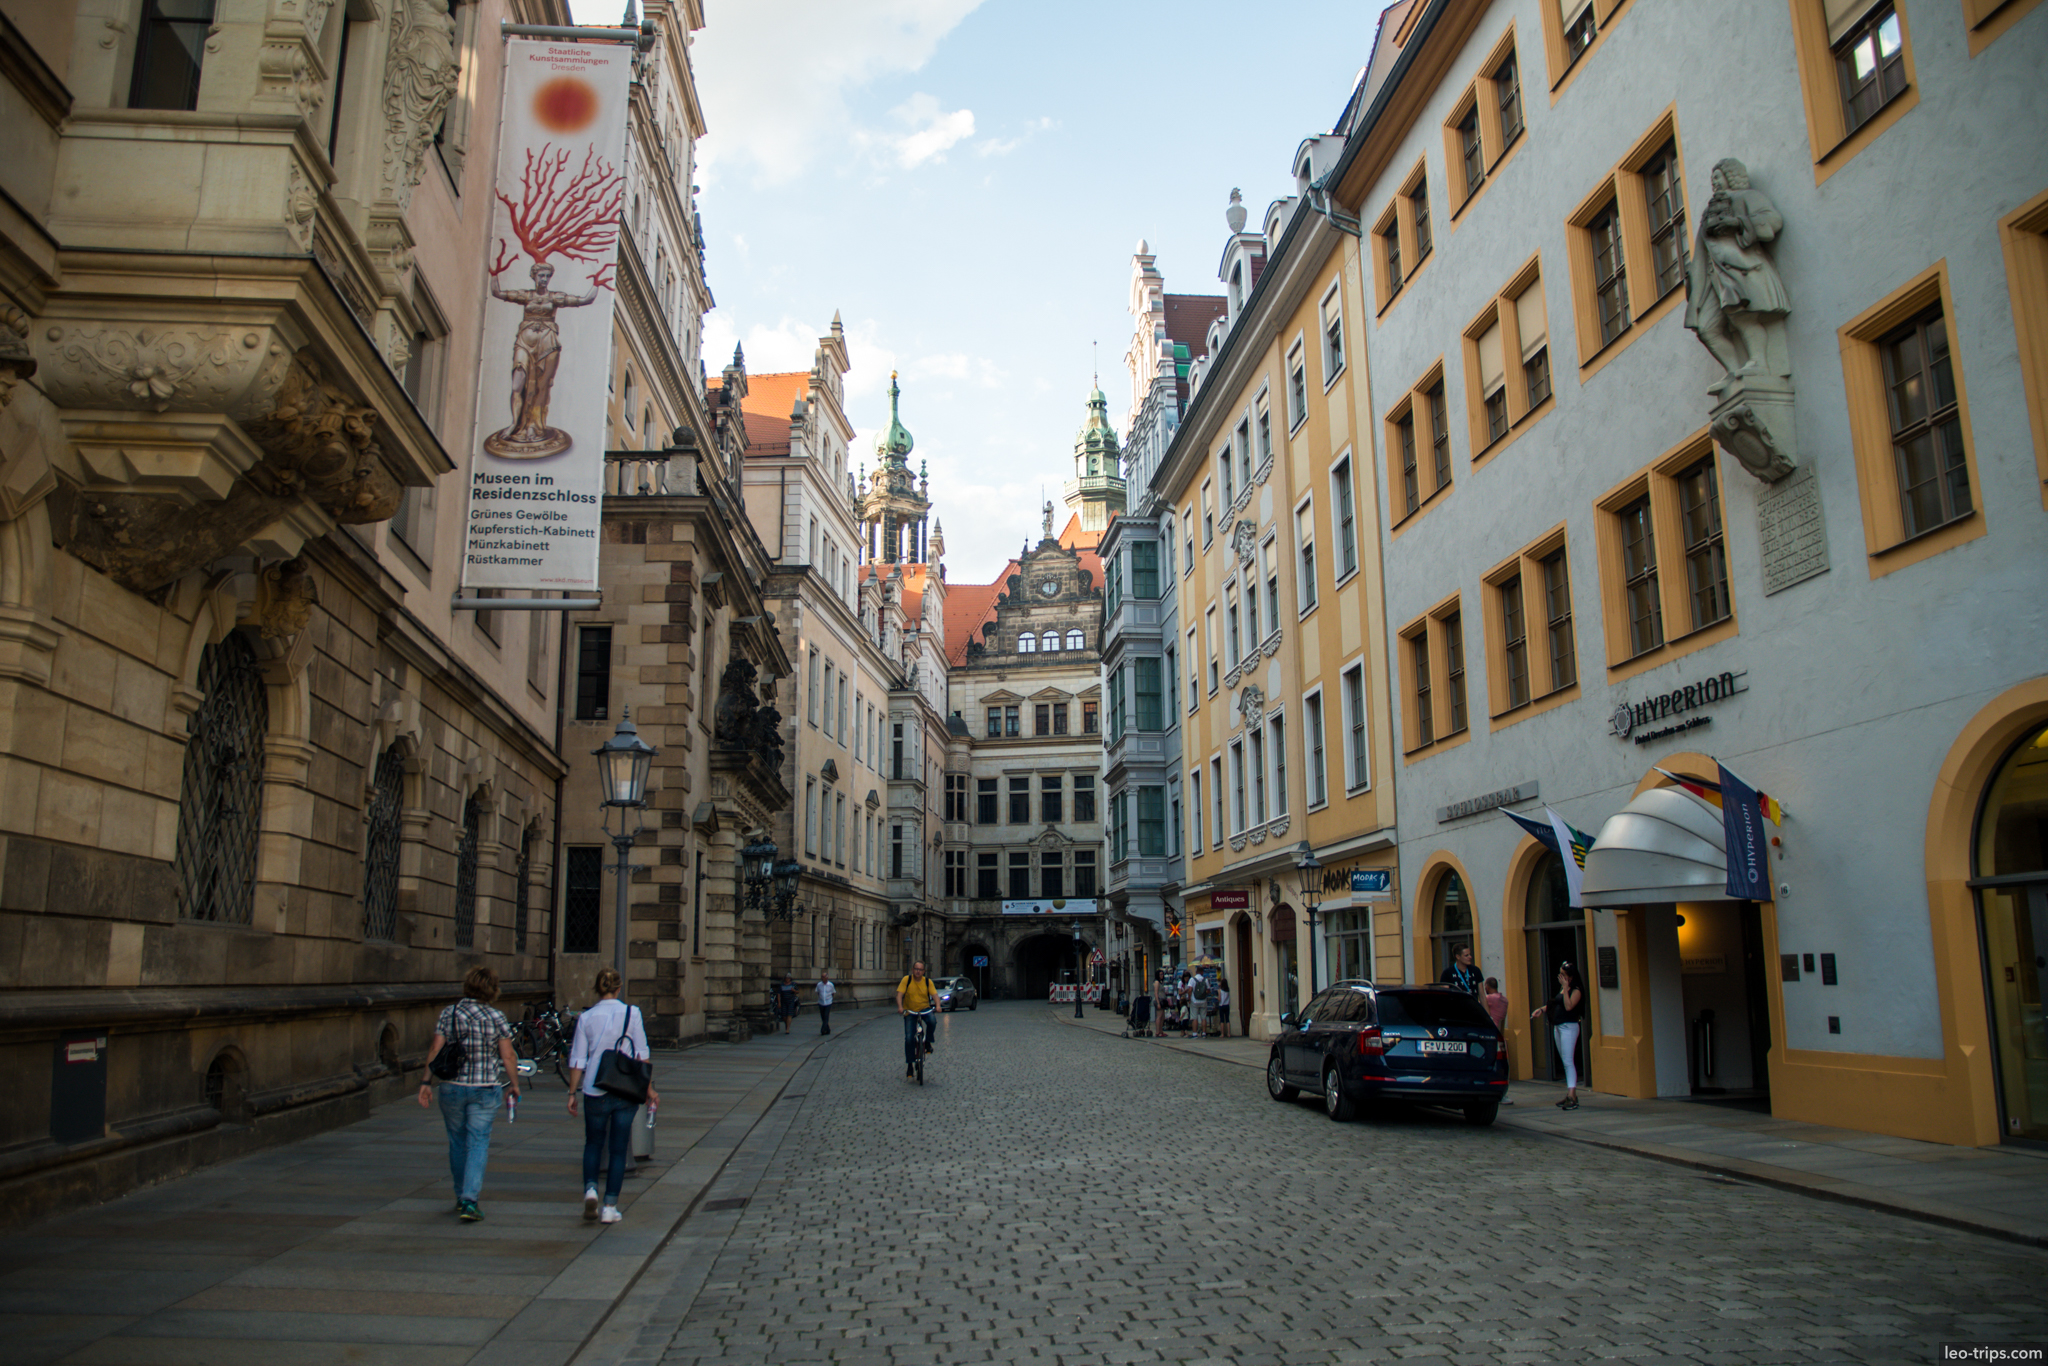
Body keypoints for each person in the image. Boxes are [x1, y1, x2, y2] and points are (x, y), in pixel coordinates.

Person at [419, 966, 521, 1223]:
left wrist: (425, 1082)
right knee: (478, 1142)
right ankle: (469, 1199)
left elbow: (435, 1048)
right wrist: (514, 1083)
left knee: (457, 1141)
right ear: (492, 989)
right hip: (484, 1088)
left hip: (452, 1087)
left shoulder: (449, 1013)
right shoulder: (496, 1016)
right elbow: (507, 1055)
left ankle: (459, 1195)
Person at [567, 967, 660, 1224]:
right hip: (625, 1088)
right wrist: (649, 1089)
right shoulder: (632, 1013)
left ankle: (590, 1190)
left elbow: (578, 1059)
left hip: (595, 1088)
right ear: (619, 989)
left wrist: (572, 1092)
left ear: (598, 989)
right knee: (618, 1149)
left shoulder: (586, 1017)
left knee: (593, 1143)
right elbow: (642, 1053)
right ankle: (610, 1206)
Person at [1531, 961, 1587, 1110]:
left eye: (1563, 975)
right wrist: (1541, 1010)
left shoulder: (1575, 990)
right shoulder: (1563, 990)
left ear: (1570, 977)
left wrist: (1566, 988)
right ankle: (1571, 1095)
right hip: (1559, 1026)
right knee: (1564, 1060)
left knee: (1568, 1061)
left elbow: (1569, 1006)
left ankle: (1572, 1096)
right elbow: (1556, 1003)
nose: (1560, 977)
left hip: (1569, 1026)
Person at [896, 960, 939, 1079]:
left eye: (920, 969)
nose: (918, 971)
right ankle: (910, 1064)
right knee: (909, 1038)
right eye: (916, 969)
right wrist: (900, 1007)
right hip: (910, 1011)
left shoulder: (927, 982)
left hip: (925, 1009)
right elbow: (899, 994)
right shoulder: (907, 980)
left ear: (924, 971)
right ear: (912, 970)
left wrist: (938, 1005)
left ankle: (928, 1042)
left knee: (932, 1021)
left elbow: (935, 995)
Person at [1482, 977, 1514, 1105]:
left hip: (1490, 1034)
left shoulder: (1489, 999)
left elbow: (1481, 1008)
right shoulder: (1504, 1000)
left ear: (1487, 986)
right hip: (1500, 1033)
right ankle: (1504, 1093)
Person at [815, 969, 836, 1035]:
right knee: (823, 1016)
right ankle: (828, 1029)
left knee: (826, 1015)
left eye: (824, 977)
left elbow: (833, 993)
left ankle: (823, 1029)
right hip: (821, 1002)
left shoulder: (830, 985)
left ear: (827, 978)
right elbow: (818, 992)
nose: (822, 978)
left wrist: (830, 999)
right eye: (822, 977)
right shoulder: (819, 984)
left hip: (828, 1002)